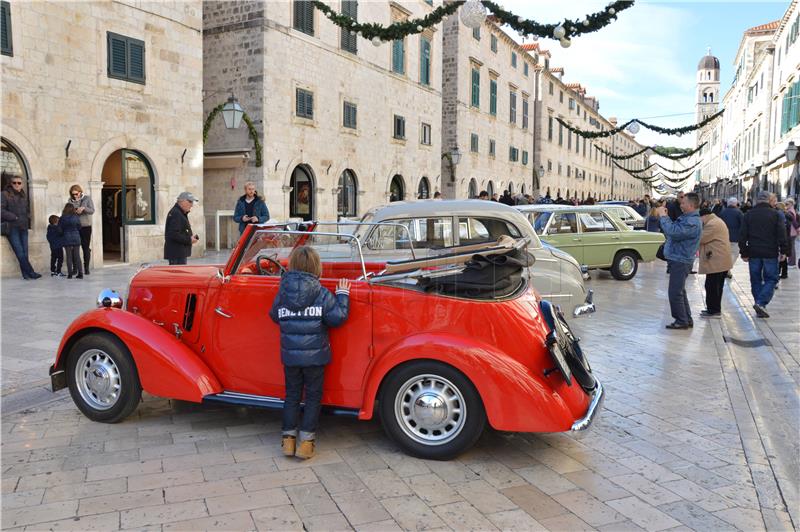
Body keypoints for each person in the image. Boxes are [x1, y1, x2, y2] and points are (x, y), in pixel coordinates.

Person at [270, 246, 350, 460]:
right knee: (313, 397)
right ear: (317, 267)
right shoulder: (322, 293)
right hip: (315, 358)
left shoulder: (282, 292)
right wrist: (343, 295)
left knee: (292, 396)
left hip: (290, 357)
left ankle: (288, 441)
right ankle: (306, 443)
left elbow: (274, 316)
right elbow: (337, 318)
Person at [739, 191, 789, 318]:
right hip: (770, 252)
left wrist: (744, 251)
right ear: (769, 200)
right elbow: (781, 234)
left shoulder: (748, 215)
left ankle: (759, 304)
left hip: (753, 252)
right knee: (771, 278)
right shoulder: (776, 215)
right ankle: (761, 303)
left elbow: (742, 235)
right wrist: (784, 250)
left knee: (755, 279)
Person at [657, 192, 702, 330]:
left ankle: (681, 320)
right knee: (680, 291)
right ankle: (686, 318)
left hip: (681, 260)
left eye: (683, 203)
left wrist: (664, 217)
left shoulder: (692, 222)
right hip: (679, 258)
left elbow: (673, 232)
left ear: (691, 205)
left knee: (675, 292)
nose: (680, 205)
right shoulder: (687, 218)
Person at [1, 176, 41, 279]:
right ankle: (31, 272)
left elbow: (27, 209)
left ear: (22, 184)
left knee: (25, 252)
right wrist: (14, 217)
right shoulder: (4, 194)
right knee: (19, 251)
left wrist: (27, 217)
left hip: (23, 226)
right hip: (12, 227)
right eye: (14, 183)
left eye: (19, 183)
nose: (17, 185)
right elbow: (1, 210)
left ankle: (25, 274)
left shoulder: (23, 195)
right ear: (11, 183)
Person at [698, 207, 733, 318]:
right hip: (719, 259)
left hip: (717, 260)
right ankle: (713, 309)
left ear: (704, 216)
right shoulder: (716, 221)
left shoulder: (712, 224)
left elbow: (701, 238)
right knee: (715, 285)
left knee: (712, 286)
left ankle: (713, 310)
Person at [164, 192, 199, 265]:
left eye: (192, 202)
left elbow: (178, 232)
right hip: (177, 254)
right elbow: (174, 234)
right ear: (181, 201)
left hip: (178, 253)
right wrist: (189, 239)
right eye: (190, 201)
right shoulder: (176, 213)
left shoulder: (179, 212)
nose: (192, 205)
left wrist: (190, 237)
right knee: (177, 275)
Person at [68, 184, 95, 274]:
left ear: (80, 192)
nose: (75, 196)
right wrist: (74, 210)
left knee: (85, 247)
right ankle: (75, 268)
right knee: (74, 248)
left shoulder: (87, 198)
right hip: (75, 227)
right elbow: (68, 212)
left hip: (86, 226)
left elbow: (92, 211)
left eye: (76, 194)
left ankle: (86, 268)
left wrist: (84, 208)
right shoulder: (70, 200)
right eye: (73, 194)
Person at [59, 203, 83, 279]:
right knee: (77, 256)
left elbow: (59, 229)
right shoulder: (76, 217)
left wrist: (63, 233)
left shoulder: (62, 218)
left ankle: (70, 274)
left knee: (69, 256)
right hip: (76, 236)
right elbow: (79, 226)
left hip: (66, 237)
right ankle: (80, 273)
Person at [776, 202, 790, 280]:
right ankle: (784, 273)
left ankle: (779, 273)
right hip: (786, 236)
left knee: (781, 256)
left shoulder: (780, 214)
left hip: (782, 237)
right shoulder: (786, 214)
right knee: (783, 257)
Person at [786, 198, 798, 269]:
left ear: (791, 203)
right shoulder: (792, 210)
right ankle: (791, 262)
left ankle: (791, 263)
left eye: (787, 203)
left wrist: (797, 229)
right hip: (792, 231)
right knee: (791, 247)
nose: (786, 205)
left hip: (791, 231)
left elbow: (793, 222)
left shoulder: (790, 211)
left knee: (791, 247)